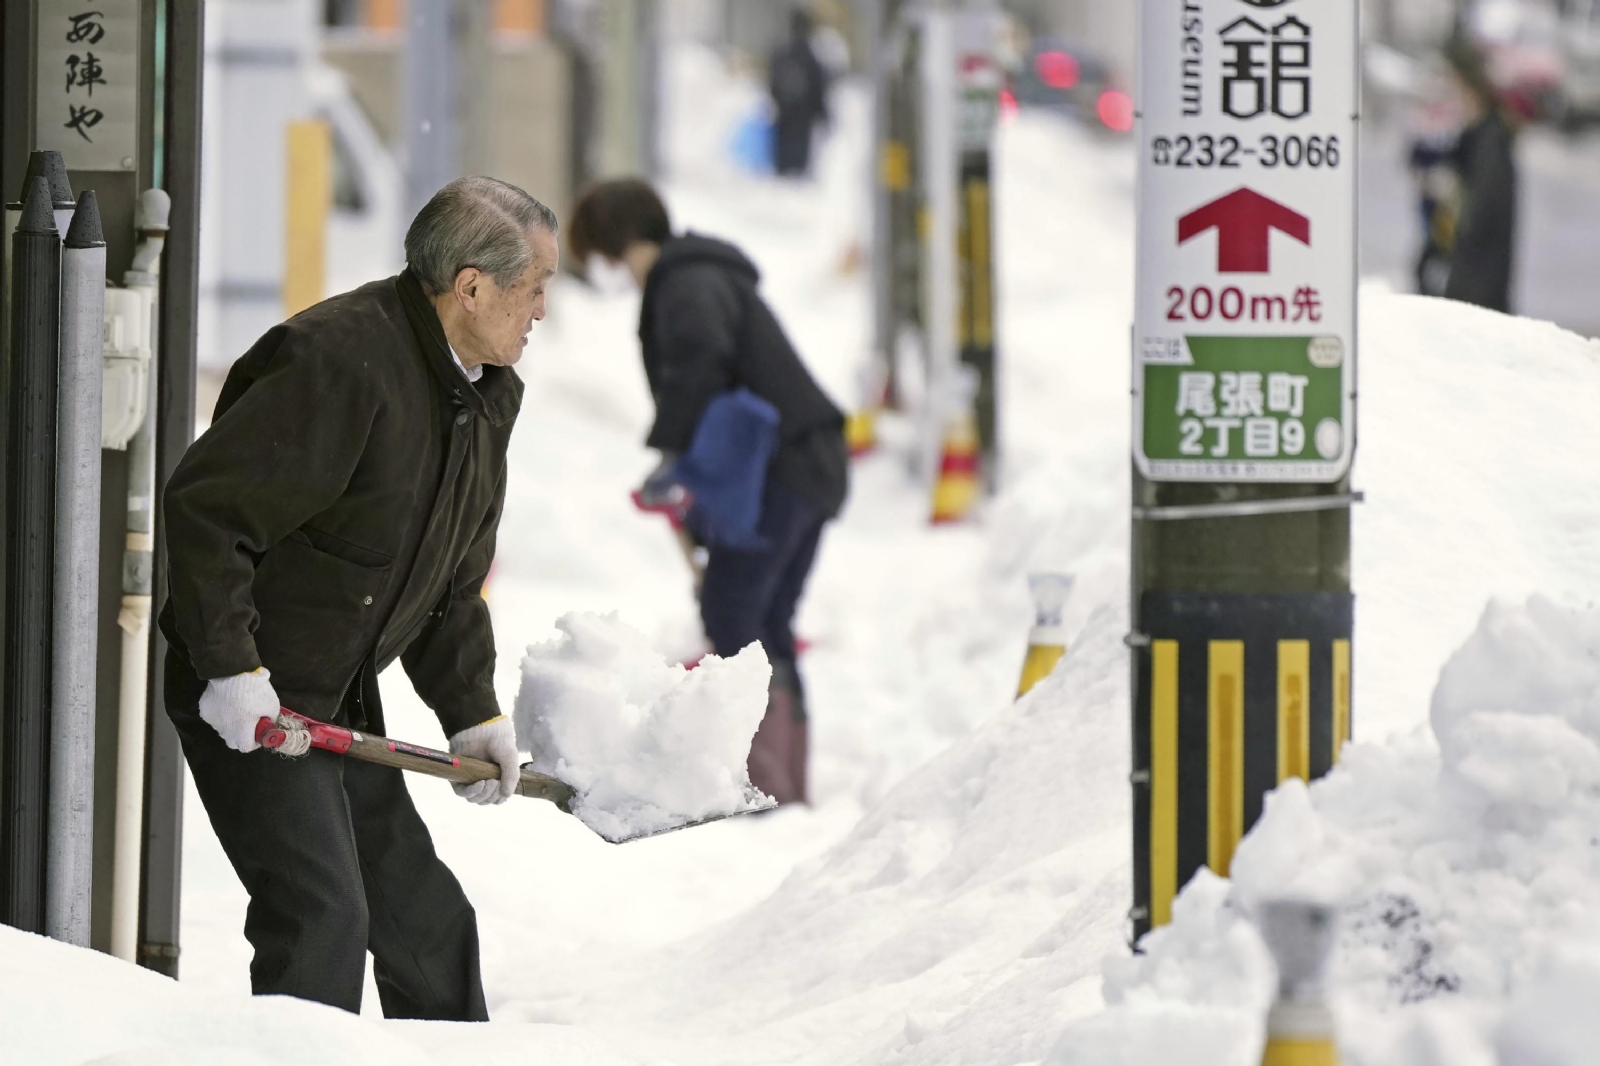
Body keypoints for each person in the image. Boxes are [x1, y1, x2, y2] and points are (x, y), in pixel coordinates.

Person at [159, 176, 559, 1017]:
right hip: (255, 691)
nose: (542, 311)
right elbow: (209, 511)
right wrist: (229, 668)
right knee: (321, 917)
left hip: (337, 694)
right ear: (472, 286)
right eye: (534, 288)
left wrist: (472, 713)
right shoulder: (338, 360)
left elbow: (450, 583)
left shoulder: (486, 395)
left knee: (427, 925)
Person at [567, 178, 848, 806]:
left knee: (735, 615)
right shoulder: (696, 276)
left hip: (786, 466)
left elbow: (701, 361)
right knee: (762, 618)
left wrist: (671, 455)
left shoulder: (685, 283)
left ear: (616, 242)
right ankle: (782, 785)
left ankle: (765, 784)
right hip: (804, 463)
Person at [1441, 36, 1518, 313]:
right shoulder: (1474, 139)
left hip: (1478, 293)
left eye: (1452, 86)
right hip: (1469, 286)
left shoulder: (1490, 143)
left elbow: (1480, 222)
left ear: (1469, 89)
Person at [769, 7, 830, 178]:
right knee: (798, 171)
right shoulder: (811, 57)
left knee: (784, 169)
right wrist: (823, 114)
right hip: (803, 120)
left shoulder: (781, 53)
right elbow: (819, 89)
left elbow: (772, 84)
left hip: (784, 117)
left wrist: (776, 102)